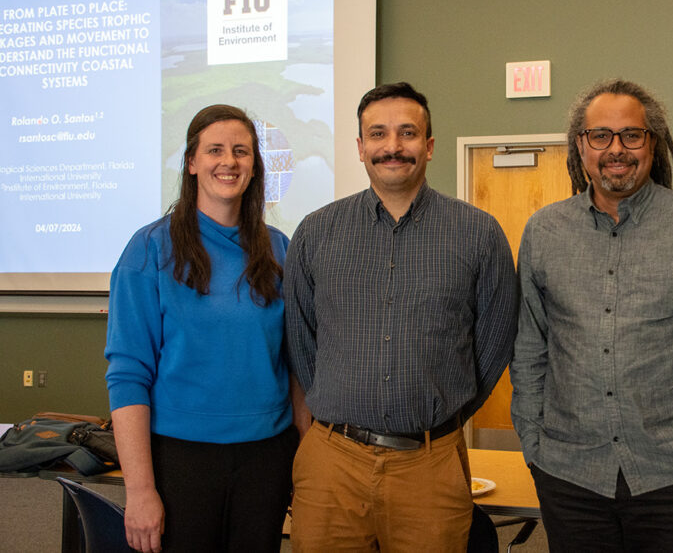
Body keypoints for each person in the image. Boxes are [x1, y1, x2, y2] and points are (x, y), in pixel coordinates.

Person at [509, 79, 673, 552]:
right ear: (580, 146)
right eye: (600, 136)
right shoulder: (544, 232)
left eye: (631, 135)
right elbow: (529, 347)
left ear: (653, 143)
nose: (616, 149)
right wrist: (533, 443)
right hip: (569, 475)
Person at [284, 81, 518, 552]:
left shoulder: (477, 234)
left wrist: (439, 411)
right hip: (333, 462)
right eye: (378, 134)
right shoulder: (316, 232)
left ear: (428, 146)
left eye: (407, 133)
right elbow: (302, 342)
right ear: (359, 147)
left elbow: (494, 344)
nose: (393, 147)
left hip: (429, 466)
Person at [105, 105, 296, 553]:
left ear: (254, 166)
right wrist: (139, 491)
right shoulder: (149, 249)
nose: (228, 162)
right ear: (191, 163)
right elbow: (128, 376)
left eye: (241, 151)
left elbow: (296, 366)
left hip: (267, 458)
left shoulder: (280, 250)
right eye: (214, 150)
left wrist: (305, 467)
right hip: (180, 461)